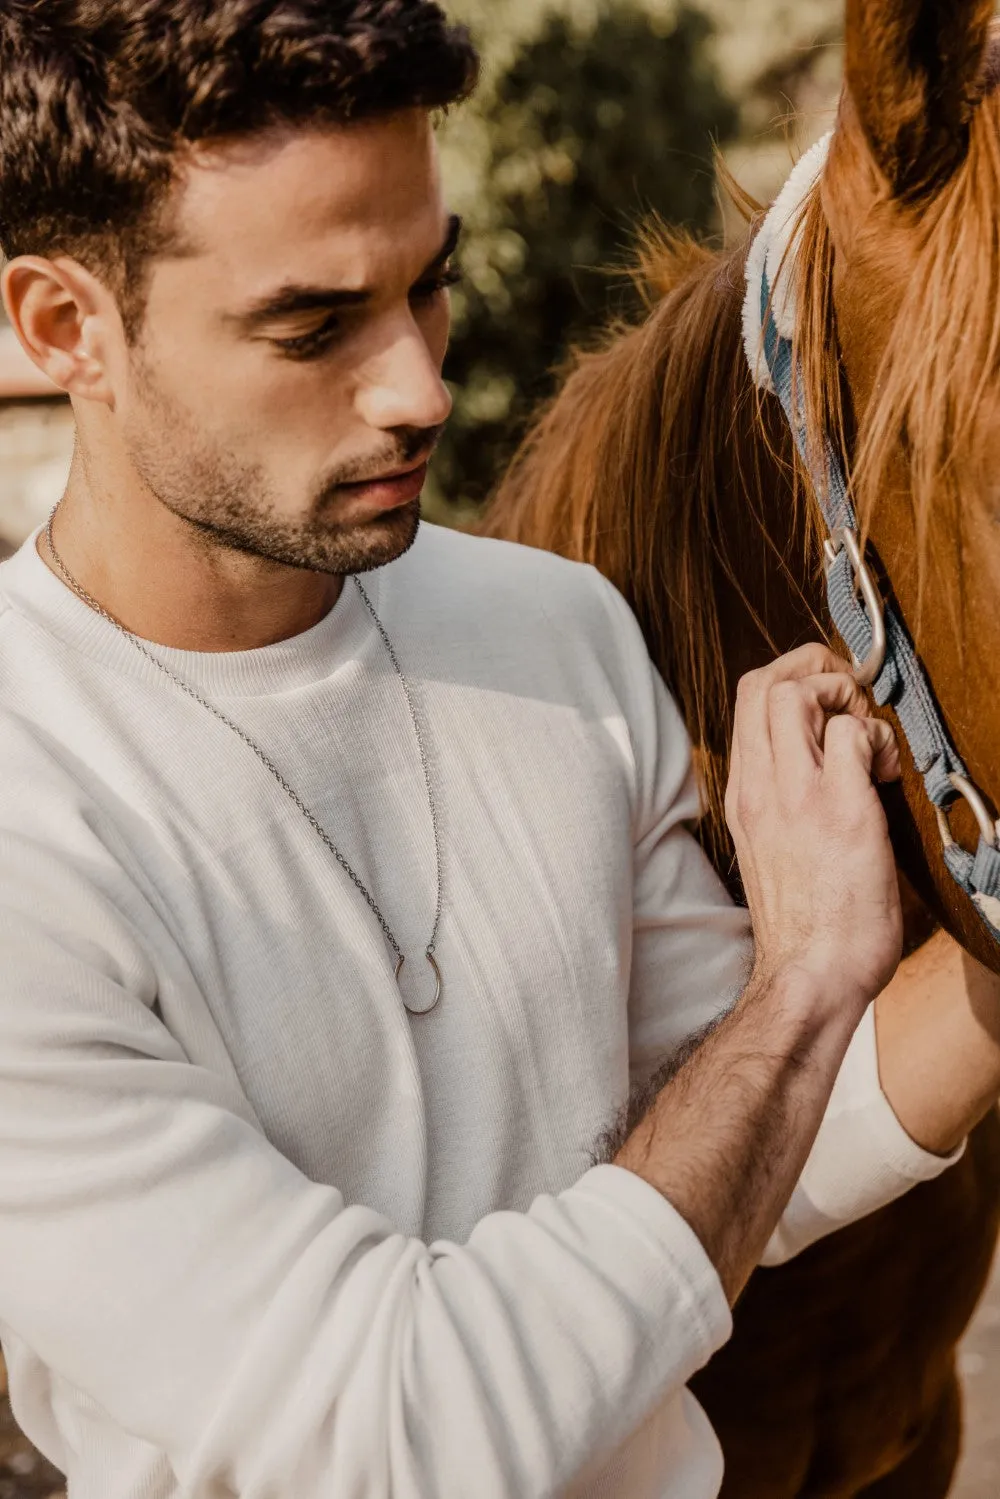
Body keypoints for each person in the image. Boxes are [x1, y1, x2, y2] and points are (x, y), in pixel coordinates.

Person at [0, 3, 998, 1496]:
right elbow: (405, 1431)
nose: (419, 387)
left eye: (431, 286)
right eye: (315, 325)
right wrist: (801, 987)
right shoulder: (31, 816)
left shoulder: (558, 632)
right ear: (65, 328)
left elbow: (760, 1143)